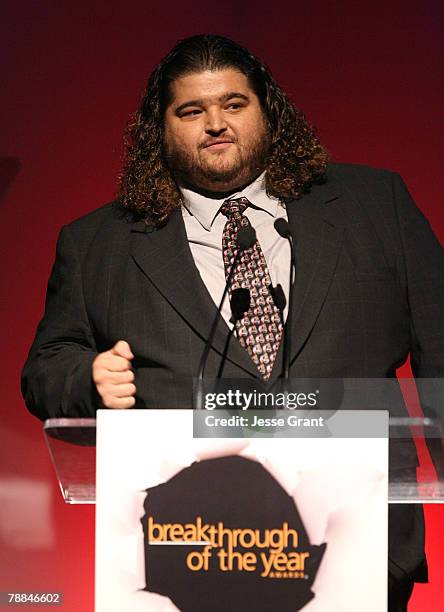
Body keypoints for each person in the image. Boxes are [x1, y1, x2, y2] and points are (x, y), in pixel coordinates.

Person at [22, 35, 443, 610]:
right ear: (160, 130)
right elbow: (45, 368)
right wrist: (87, 377)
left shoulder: (375, 203)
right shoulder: (98, 243)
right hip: (194, 553)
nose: (215, 123)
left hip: (362, 543)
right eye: (191, 111)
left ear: (267, 111)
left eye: (234, 104)